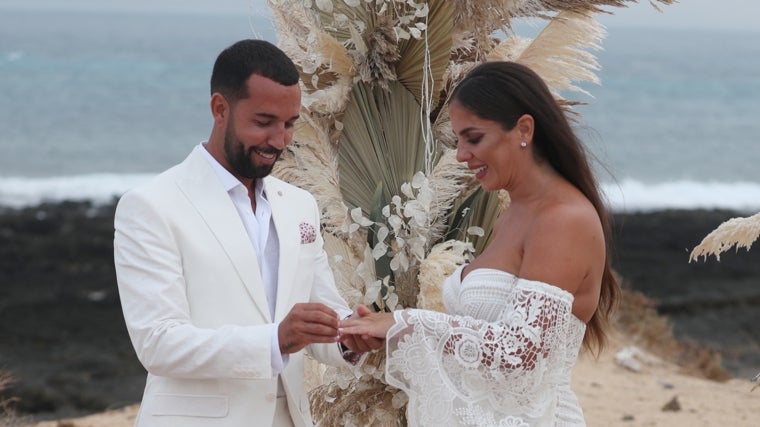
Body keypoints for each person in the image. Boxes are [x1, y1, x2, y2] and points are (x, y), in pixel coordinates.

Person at [113, 39, 381, 427]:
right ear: (220, 108)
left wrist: (348, 334)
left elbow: (320, 306)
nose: (280, 140)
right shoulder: (151, 205)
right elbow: (159, 343)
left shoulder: (300, 204)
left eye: (289, 124)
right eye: (264, 122)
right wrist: (275, 340)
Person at [339, 61, 620, 426]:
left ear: (524, 129)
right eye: (458, 141)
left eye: (473, 138)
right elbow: (481, 343)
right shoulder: (511, 215)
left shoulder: (563, 219)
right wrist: (381, 328)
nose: (461, 154)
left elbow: (520, 355)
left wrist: (405, 322)